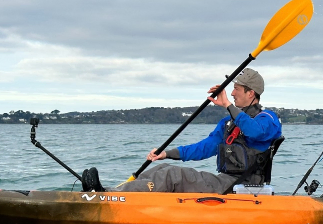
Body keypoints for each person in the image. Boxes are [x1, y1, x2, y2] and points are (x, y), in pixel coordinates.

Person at [82, 68, 282, 194]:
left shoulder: (268, 118)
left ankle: (111, 196)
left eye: (236, 88)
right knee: (161, 168)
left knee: (172, 176)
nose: (231, 92)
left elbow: (255, 132)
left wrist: (227, 104)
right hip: (225, 181)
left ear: (251, 93)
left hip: (239, 185)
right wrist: (167, 154)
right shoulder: (227, 124)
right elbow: (203, 148)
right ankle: (111, 192)